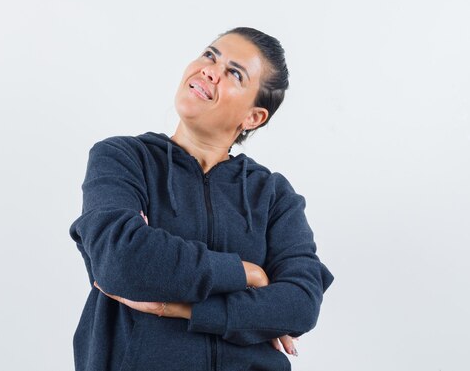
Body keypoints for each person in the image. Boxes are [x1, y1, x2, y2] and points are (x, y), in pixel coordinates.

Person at [69, 27, 334, 371]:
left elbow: (300, 304)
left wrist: (186, 308)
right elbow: (120, 260)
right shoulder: (123, 158)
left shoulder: (273, 196)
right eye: (210, 55)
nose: (210, 70)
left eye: (234, 73)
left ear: (252, 117)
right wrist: (248, 274)